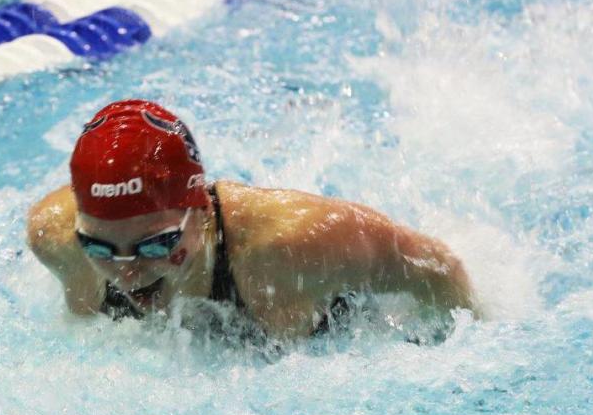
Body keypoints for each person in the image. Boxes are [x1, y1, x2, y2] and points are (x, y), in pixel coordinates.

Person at [27, 99, 479, 340]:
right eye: (101, 249)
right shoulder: (57, 238)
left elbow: (438, 267)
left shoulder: (292, 245)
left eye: (155, 245)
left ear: (200, 210)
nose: (126, 272)